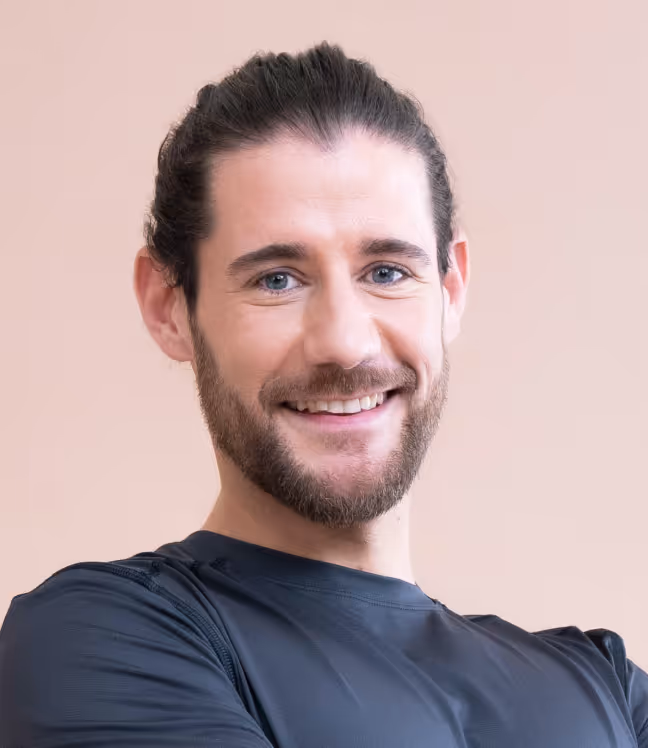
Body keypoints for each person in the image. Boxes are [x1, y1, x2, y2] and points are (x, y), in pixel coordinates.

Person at [0, 41, 646, 748]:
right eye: (276, 279)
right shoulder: (96, 641)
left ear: (451, 288)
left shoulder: (607, 683)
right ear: (169, 307)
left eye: (387, 271)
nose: (344, 342)